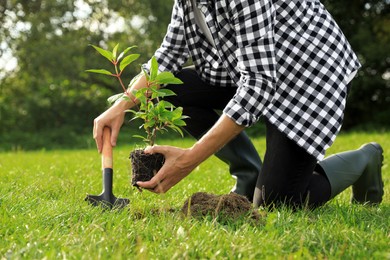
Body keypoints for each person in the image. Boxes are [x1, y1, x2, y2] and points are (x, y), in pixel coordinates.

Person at [93, 0, 384, 208]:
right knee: (164, 87)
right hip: (254, 69)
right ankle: (248, 174)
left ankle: (364, 159)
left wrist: (190, 159)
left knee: (278, 203)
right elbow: (169, 53)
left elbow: (258, 85)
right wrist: (122, 104)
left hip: (306, 76)